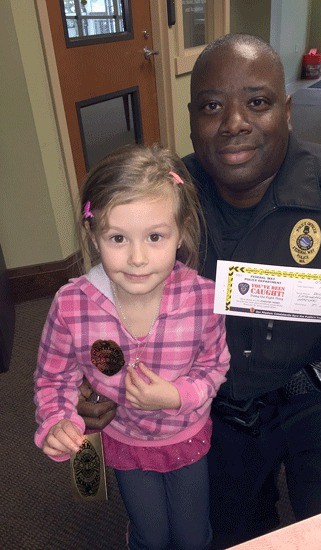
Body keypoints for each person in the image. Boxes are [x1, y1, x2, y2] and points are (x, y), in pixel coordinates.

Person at [79, 34, 321, 549]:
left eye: (257, 102)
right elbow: (100, 308)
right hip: (204, 403)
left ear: (288, 110)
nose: (234, 122)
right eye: (213, 106)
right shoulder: (157, 202)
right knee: (209, 536)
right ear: (192, 120)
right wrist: (97, 378)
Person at [34, 144, 230, 550]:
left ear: (182, 231)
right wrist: (57, 421)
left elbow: (215, 364)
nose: (138, 258)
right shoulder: (72, 306)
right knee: (151, 536)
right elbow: (54, 378)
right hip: (125, 443)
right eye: (118, 238)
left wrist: (178, 395)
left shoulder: (203, 300)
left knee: (193, 536)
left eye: (156, 236)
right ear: (93, 233)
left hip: (187, 437)